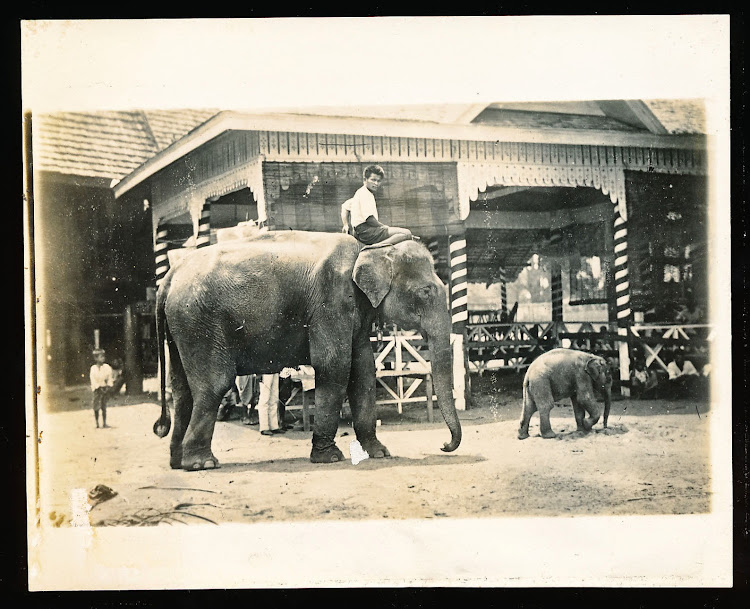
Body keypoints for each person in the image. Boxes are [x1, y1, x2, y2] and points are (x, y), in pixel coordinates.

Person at [348, 165, 414, 248]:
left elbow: (345, 206)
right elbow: (369, 219)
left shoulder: (361, 192)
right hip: (366, 231)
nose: (376, 183)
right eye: (373, 180)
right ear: (365, 180)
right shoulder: (365, 194)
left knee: (401, 234)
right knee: (406, 233)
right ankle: (377, 247)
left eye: (378, 181)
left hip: (362, 230)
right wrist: (384, 227)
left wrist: (345, 224)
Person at [89, 349, 114, 428]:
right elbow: (92, 379)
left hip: (104, 388)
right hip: (97, 389)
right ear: (96, 358)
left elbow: (110, 378)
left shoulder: (107, 367)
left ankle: (104, 422)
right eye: (101, 357)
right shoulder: (93, 368)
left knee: (104, 406)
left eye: (103, 356)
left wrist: (108, 386)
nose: (103, 358)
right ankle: (97, 422)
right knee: (96, 406)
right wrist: (98, 387)